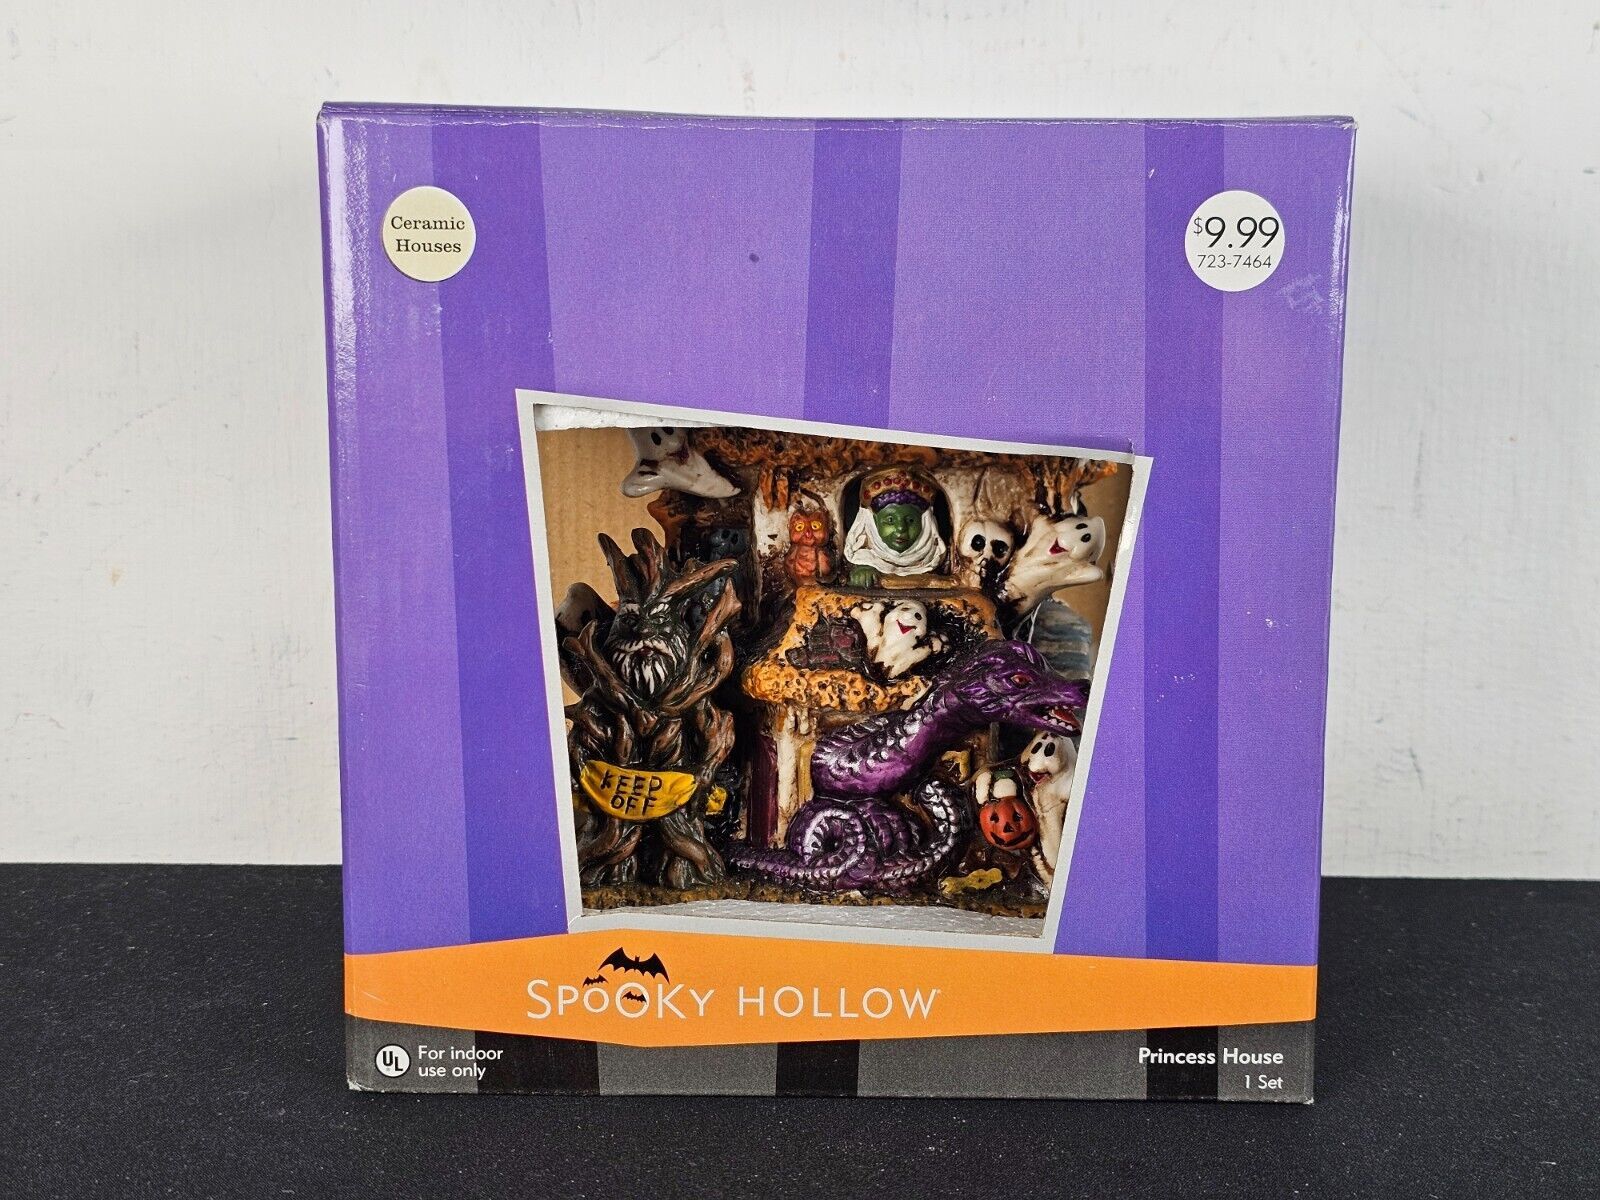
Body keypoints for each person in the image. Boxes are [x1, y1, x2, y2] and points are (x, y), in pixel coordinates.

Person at [843, 467, 947, 587]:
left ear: (925, 522)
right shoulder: (861, 558)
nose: (901, 528)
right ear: (872, 522)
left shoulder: (935, 559)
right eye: (890, 520)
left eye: (910, 520)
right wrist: (862, 569)